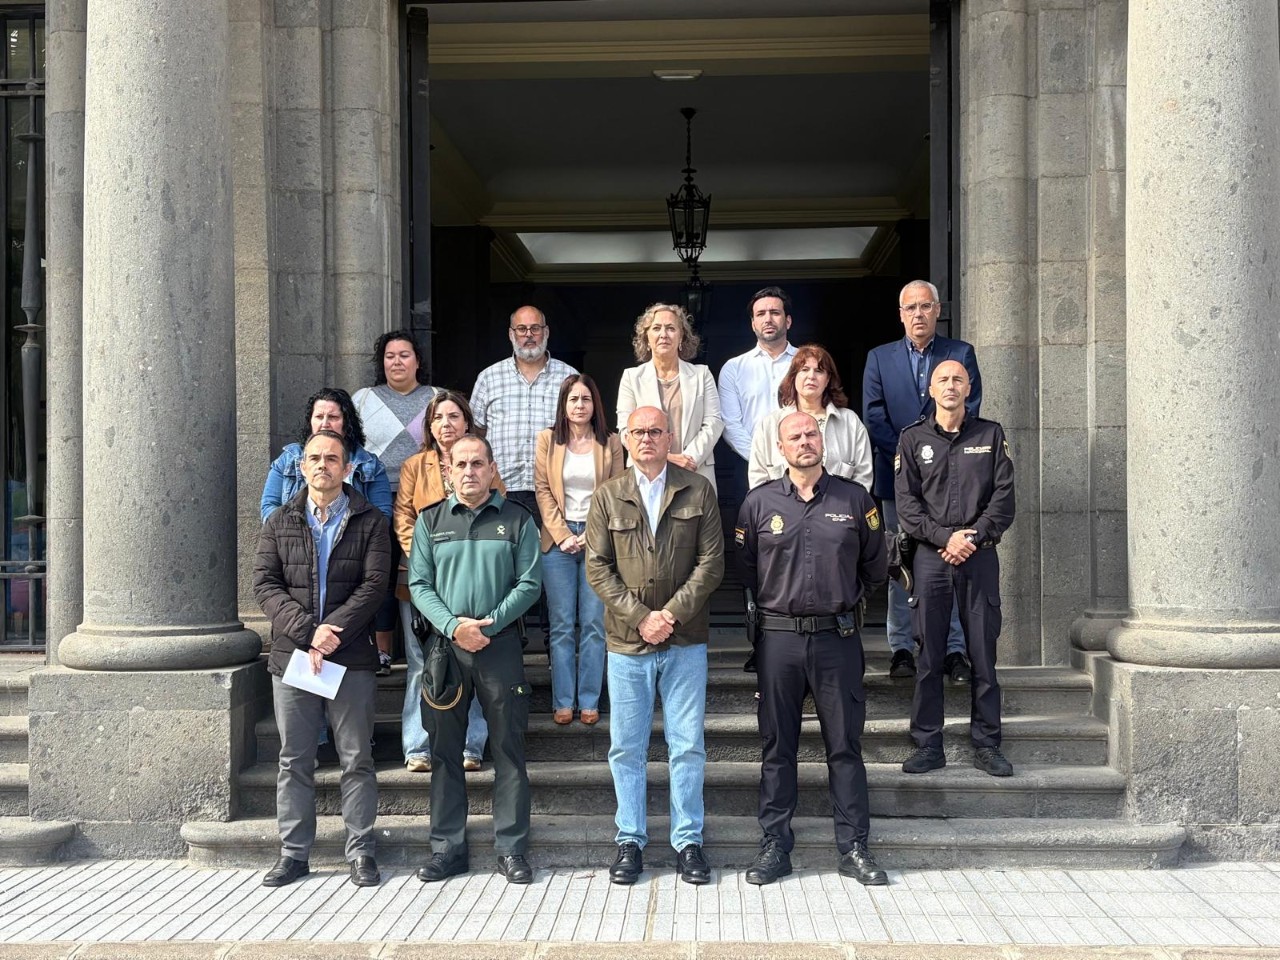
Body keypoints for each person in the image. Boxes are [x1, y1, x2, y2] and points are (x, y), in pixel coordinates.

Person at [737, 412, 889, 886]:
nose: (805, 441)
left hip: (836, 640)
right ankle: (775, 845)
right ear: (780, 449)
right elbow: (746, 570)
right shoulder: (758, 504)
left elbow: (875, 567)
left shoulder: (854, 498)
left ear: (822, 441)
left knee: (844, 746)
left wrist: (842, 605)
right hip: (778, 641)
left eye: (811, 434)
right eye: (795, 437)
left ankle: (854, 847)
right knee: (777, 747)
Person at [585, 406, 724, 886]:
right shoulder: (607, 496)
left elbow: (712, 562)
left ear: (670, 437)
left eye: (655, 431)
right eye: (638, 432)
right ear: (625, 438)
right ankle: (630, 840)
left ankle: (688, 842)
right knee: (626, 747)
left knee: (687, 746)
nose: (647, 439)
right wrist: (642, 618)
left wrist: (670, 615)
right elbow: (597, 568)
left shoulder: (697, 489)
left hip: (685, 639)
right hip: (627, 642)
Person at [252, 429, 390, 889]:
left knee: (356, 757)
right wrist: (310, 633)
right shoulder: (280, 522)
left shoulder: (370, 521)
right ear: (301, 465)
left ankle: (361, 851)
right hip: (294, 657)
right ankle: (293, 853)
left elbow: (375, 586)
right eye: (314, 458)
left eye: (332, 458)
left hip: (349, 656)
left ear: (347, 468)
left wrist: (331, 634)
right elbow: (265, 586)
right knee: (295, 758)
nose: (322, 465)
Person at [408, 435, 542, 885]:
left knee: (508, 749)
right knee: (445, 752)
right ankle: (447, 849)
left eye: (478, 463)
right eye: (460, 464)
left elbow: (529, 584)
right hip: (445, 652)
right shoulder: (431, 521)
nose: (469, 471)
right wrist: (453, 626)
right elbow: (419, 585)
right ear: (448, 470)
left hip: (500, 647)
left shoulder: (517, 519)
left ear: (492, 468)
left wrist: (487, 624)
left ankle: (511, 848)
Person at [895, 361, 1015, 779]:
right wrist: (946, 538)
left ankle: (987, 743)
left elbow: (1003, 498)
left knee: (982, 651)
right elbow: (907, 505)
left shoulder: (990, 434)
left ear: (968, 387)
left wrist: (973, 536)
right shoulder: (912, 439)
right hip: (931, 557)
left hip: (979, 556)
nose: (950, 385)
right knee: (928, 653)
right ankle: (928, 743)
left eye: (957, 379)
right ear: (931, 388)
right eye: (943, 379)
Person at [862, 280, 983, 682]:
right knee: (902, 562)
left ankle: (952, 649)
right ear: (900, 314)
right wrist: (911, 454)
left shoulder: (959, 354)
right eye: (910, 307)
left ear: (938, 309)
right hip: (896, 478)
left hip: (951, 481)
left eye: (925, 306)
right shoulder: (879, 358)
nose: (918, 313)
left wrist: (935, 456)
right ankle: (901, 648)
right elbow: (874, 415)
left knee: (949, 561)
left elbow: (970, 407)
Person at [393, 390, 498, 774]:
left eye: (454, 416)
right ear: (429, 426)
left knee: (472, 662)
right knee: (422, 663)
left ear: (466, 422)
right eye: (438, 418)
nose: (446, 424)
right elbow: (404, 517)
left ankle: (471, 744)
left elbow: (494, 510)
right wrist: (427, 557)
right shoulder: (413, 467)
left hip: (473, 579)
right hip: (420, 582)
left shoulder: (482, 463)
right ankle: (418, 746)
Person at [534, 374, 624, 726]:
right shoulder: (548, 440)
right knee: (560, 625)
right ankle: (563, 701)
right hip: (557, 541)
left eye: (586, 399)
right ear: (564, 404)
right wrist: (561, 534)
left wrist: (592, 532)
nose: (580, 405)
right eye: (573, 399)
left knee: (593, 623)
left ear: (594, 404)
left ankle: (589, 699)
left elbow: (616, 491)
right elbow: (542, 489)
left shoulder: (611, 442)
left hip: (597, 538)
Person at [353, 330, 439, 675]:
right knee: (379, 575)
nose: (397, 362)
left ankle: (429, 643)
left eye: (405, 355)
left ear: (418, 361)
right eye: (390, 356)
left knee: (417, 574)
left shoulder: (437, 398)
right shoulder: (362, 399)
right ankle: (383, 653)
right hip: (374, 496)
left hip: (423, 499)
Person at [469, 305, 579, 518]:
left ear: (545, 333)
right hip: (500, 488)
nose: (529, 335)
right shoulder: (488, 377)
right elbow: (476, 433)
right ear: (511, 334)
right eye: (521, 329)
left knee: (551, 551)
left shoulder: (569, 376)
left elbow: (581, 429)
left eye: (535, 328)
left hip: (554, 490)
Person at [616, 303, 724, 491]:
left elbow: (714, 422)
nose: (664, 334)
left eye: (671, 328)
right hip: (647, 471)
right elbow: (625, 430)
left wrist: (688, 458)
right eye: (656, 328)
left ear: (681, 336)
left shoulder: (702, 374)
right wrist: (666, 458)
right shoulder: (631, 378)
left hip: (695, 471)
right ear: (646, 338)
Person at [747, 344, 872, 492]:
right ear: (793, 377)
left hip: (840, 511)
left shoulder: (850, 422)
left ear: (827, 380)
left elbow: (863, 477)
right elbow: (758, 478)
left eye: (819, 371)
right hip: (782, 512)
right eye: (804, 370)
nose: (811, 376)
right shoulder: (769, 425)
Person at [259, 387, 390, 523]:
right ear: (310, 421)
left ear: (347, 423)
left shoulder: (371, 465)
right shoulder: (288, 460)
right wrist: (299, 534)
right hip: (294, 541)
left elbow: (382, 517)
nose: (325, 424)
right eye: (319, 417)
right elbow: (269, 508)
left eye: (333, 417)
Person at [718, 286, 798, 462]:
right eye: (761, 314)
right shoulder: (734, 368)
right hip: (749, 465)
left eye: (775, 313)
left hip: (802, 463)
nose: (768, 319)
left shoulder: (806, 363)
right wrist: (760, 459)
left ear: (788, 321)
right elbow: (730, 424)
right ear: (753, 324)